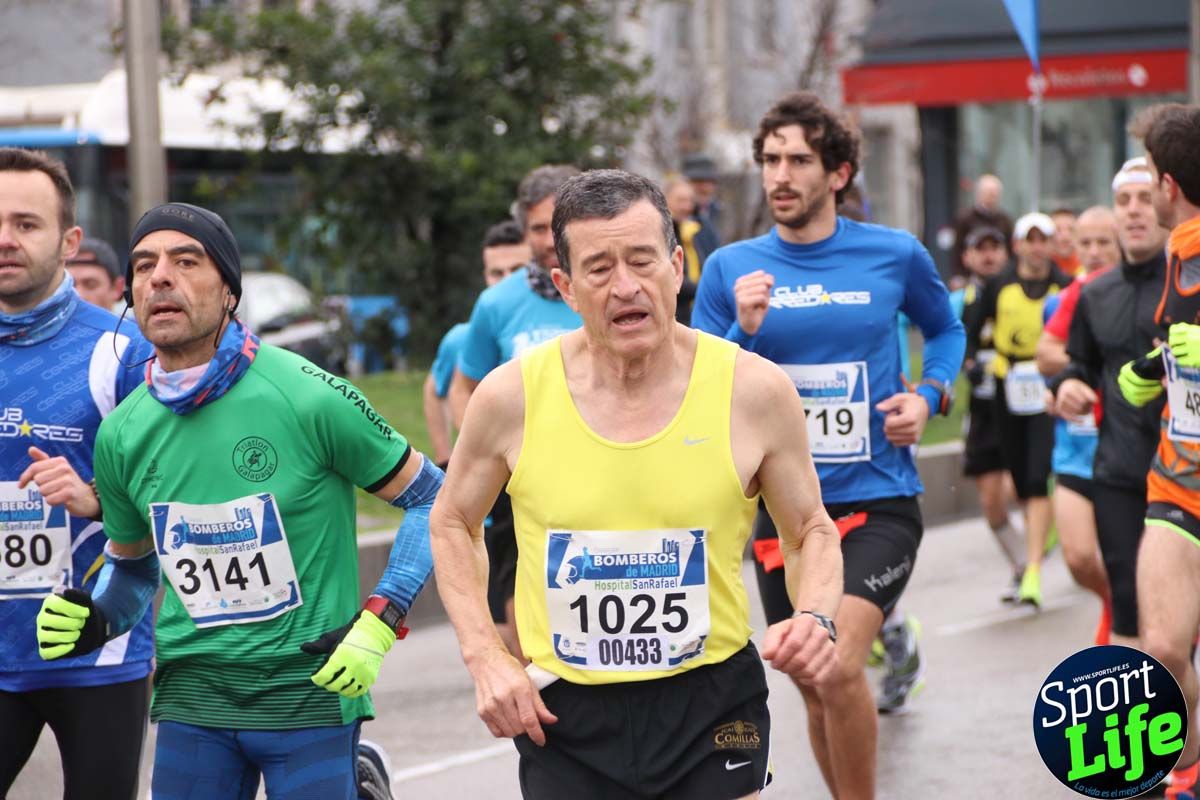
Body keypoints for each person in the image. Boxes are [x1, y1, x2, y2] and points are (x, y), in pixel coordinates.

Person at [431, 168, 842, 800]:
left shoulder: (753, 391)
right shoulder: (511, 396)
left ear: (677, 266)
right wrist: (486, 655)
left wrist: (814, 614)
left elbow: (810, 530)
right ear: (565, 286)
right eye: (599, 268)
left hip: (711, 701)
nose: (626, 286)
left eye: (643, 260)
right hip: (566, 713)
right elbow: (453, 520)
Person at [33, 202, 443, 800]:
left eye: (186, 261)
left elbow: (435, 499)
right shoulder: (122, 431)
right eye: (144, 265)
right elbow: (134, 568)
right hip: (193, 696)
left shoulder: (308, 395)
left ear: (229, 290)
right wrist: (95, 618)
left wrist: (380, 620)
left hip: (309, 689)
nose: (160, 277)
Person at [692, 91, 965, 796]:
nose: (780, 174)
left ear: (838, 172)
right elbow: (694, 383)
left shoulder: (893, 254)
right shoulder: (730, 270)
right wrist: (742, 331)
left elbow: (946, 329)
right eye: (771, 160)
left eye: (799, 160)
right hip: (783, 514)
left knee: (837, 660)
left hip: (878, 500)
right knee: (812, 678)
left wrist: (928, 395)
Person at [0, 148, 154, 800]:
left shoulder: (124, 349)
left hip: (97, 647)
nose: (5, 241)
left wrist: (94, 499)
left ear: (69, 240)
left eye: (25, 224)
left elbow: (173, 492)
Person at [447, 165, 582, 660]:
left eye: (558, 224)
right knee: (523, 635)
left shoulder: (612, 289)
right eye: (538, 228)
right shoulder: (497, 304)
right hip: (521, 489)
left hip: (603, 478)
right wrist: (487, 451)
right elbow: (464, 388)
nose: (549, 239)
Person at [1112, 103, 1200, 800]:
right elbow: (1177, 340)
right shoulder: (1179, 249)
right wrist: (1151, 372)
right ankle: (1186, 775)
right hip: (1177, 480)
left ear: (1168, 185)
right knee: (1164, 649)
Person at [1050, 159, 1169, 651]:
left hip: (1184, 475)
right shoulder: (1096, 293)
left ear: (1167, 202)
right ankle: (1142, 728)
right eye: (1124, 202)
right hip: (1119, 472)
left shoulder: (1189, 282)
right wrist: (1068, 387)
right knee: (1127, 604)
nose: (1135, 211)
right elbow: (1078, 364)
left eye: (1145, 198)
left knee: (1172, 634)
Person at [964, 212, 1071, 609]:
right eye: (1031, 240)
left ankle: (1033, 571)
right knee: (1018, 476)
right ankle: (1038, 543)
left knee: (1037, 471)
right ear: (1019, 245)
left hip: (1048, 386)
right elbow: (971, 337)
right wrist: (974, 367)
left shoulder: (1065, 286)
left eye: (1044, 239)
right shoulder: (998, 287)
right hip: (1008, 389)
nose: (1037, 247)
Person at [1035, 205, 1122, 644]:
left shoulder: (1139, 291)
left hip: (1125, 452)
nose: (1093, 251)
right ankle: (1122, 601)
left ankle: (1128, 613)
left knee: (1125, 559)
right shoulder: (1073, 295)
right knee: (1080, 558)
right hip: (1074, 449)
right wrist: (1076, 377)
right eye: (1085, 243)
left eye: (1103, 242)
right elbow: (1045, 354)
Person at [423, 220, 530, 464]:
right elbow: (434, 387)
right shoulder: (461, 338)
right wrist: (444, 458)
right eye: (497, 273)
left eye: (517, 270)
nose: (506, 280)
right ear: (485, 275)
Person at [959, 225, 1024, 601]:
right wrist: (965, 364)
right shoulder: (958, 300)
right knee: (991, 501)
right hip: (981, 413)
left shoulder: (1016, 291)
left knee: (1021, 488)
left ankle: (1033, 559)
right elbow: (944, 339)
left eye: (994, 248)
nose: (988, 256)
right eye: (979, 249)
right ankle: (1019, 563)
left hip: (1015, 406)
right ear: (967, 257)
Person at [952, 174, 1015, 281]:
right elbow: (958, 248)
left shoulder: (1005, 220)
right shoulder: (965, 219)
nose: (991, 197)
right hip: (970, 277)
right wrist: (959, 275)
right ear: (978, 194)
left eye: (994, 193)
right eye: (988, 193)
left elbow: (1011, 249)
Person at [65, 236, 125, 312]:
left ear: (117, 288)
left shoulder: (140, 323)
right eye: (69, 286)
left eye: (91, 285)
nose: (79, 295)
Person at [682, 152, 723, 253]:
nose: (705, 188)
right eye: (698, 182)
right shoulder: (675, 218)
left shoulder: (721, 213)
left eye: (709, 182)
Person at [1049, 207, 1082, 277]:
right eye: (1058, 230)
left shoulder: (1088, 267)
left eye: (1071, 230)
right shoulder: (1042, 271)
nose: (1065, 237)